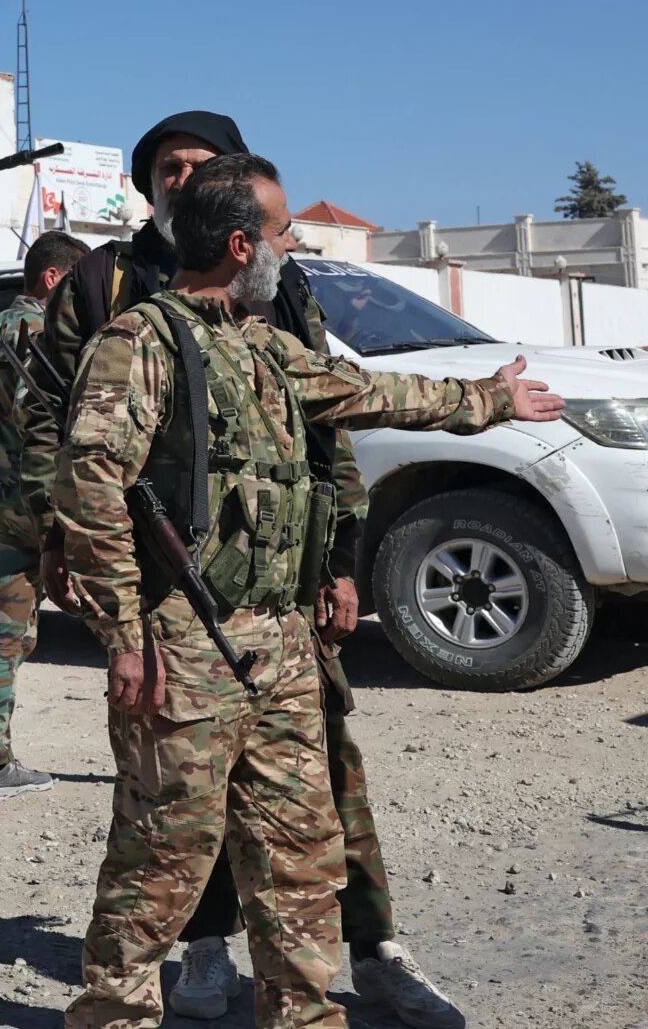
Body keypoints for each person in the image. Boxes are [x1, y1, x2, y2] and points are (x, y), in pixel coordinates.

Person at [54, 153, 564, 1029]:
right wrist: (127, 637)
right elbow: (91, 491)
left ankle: (303, 1014)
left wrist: (489, 398)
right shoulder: (139, 344)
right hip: (186, 646)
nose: (291, 246)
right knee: (161, 862)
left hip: (282, 646)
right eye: (283, 232)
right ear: (241, 244)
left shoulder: (261, 343)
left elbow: (365, 391)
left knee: (300, 857)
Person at [0, 229, 88, 799]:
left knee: (5, 634)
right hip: (54, 509)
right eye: (76, 284)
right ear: (52, 278)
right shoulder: (46, 336)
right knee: (124, 624)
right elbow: (49, 429)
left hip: (6, 503)